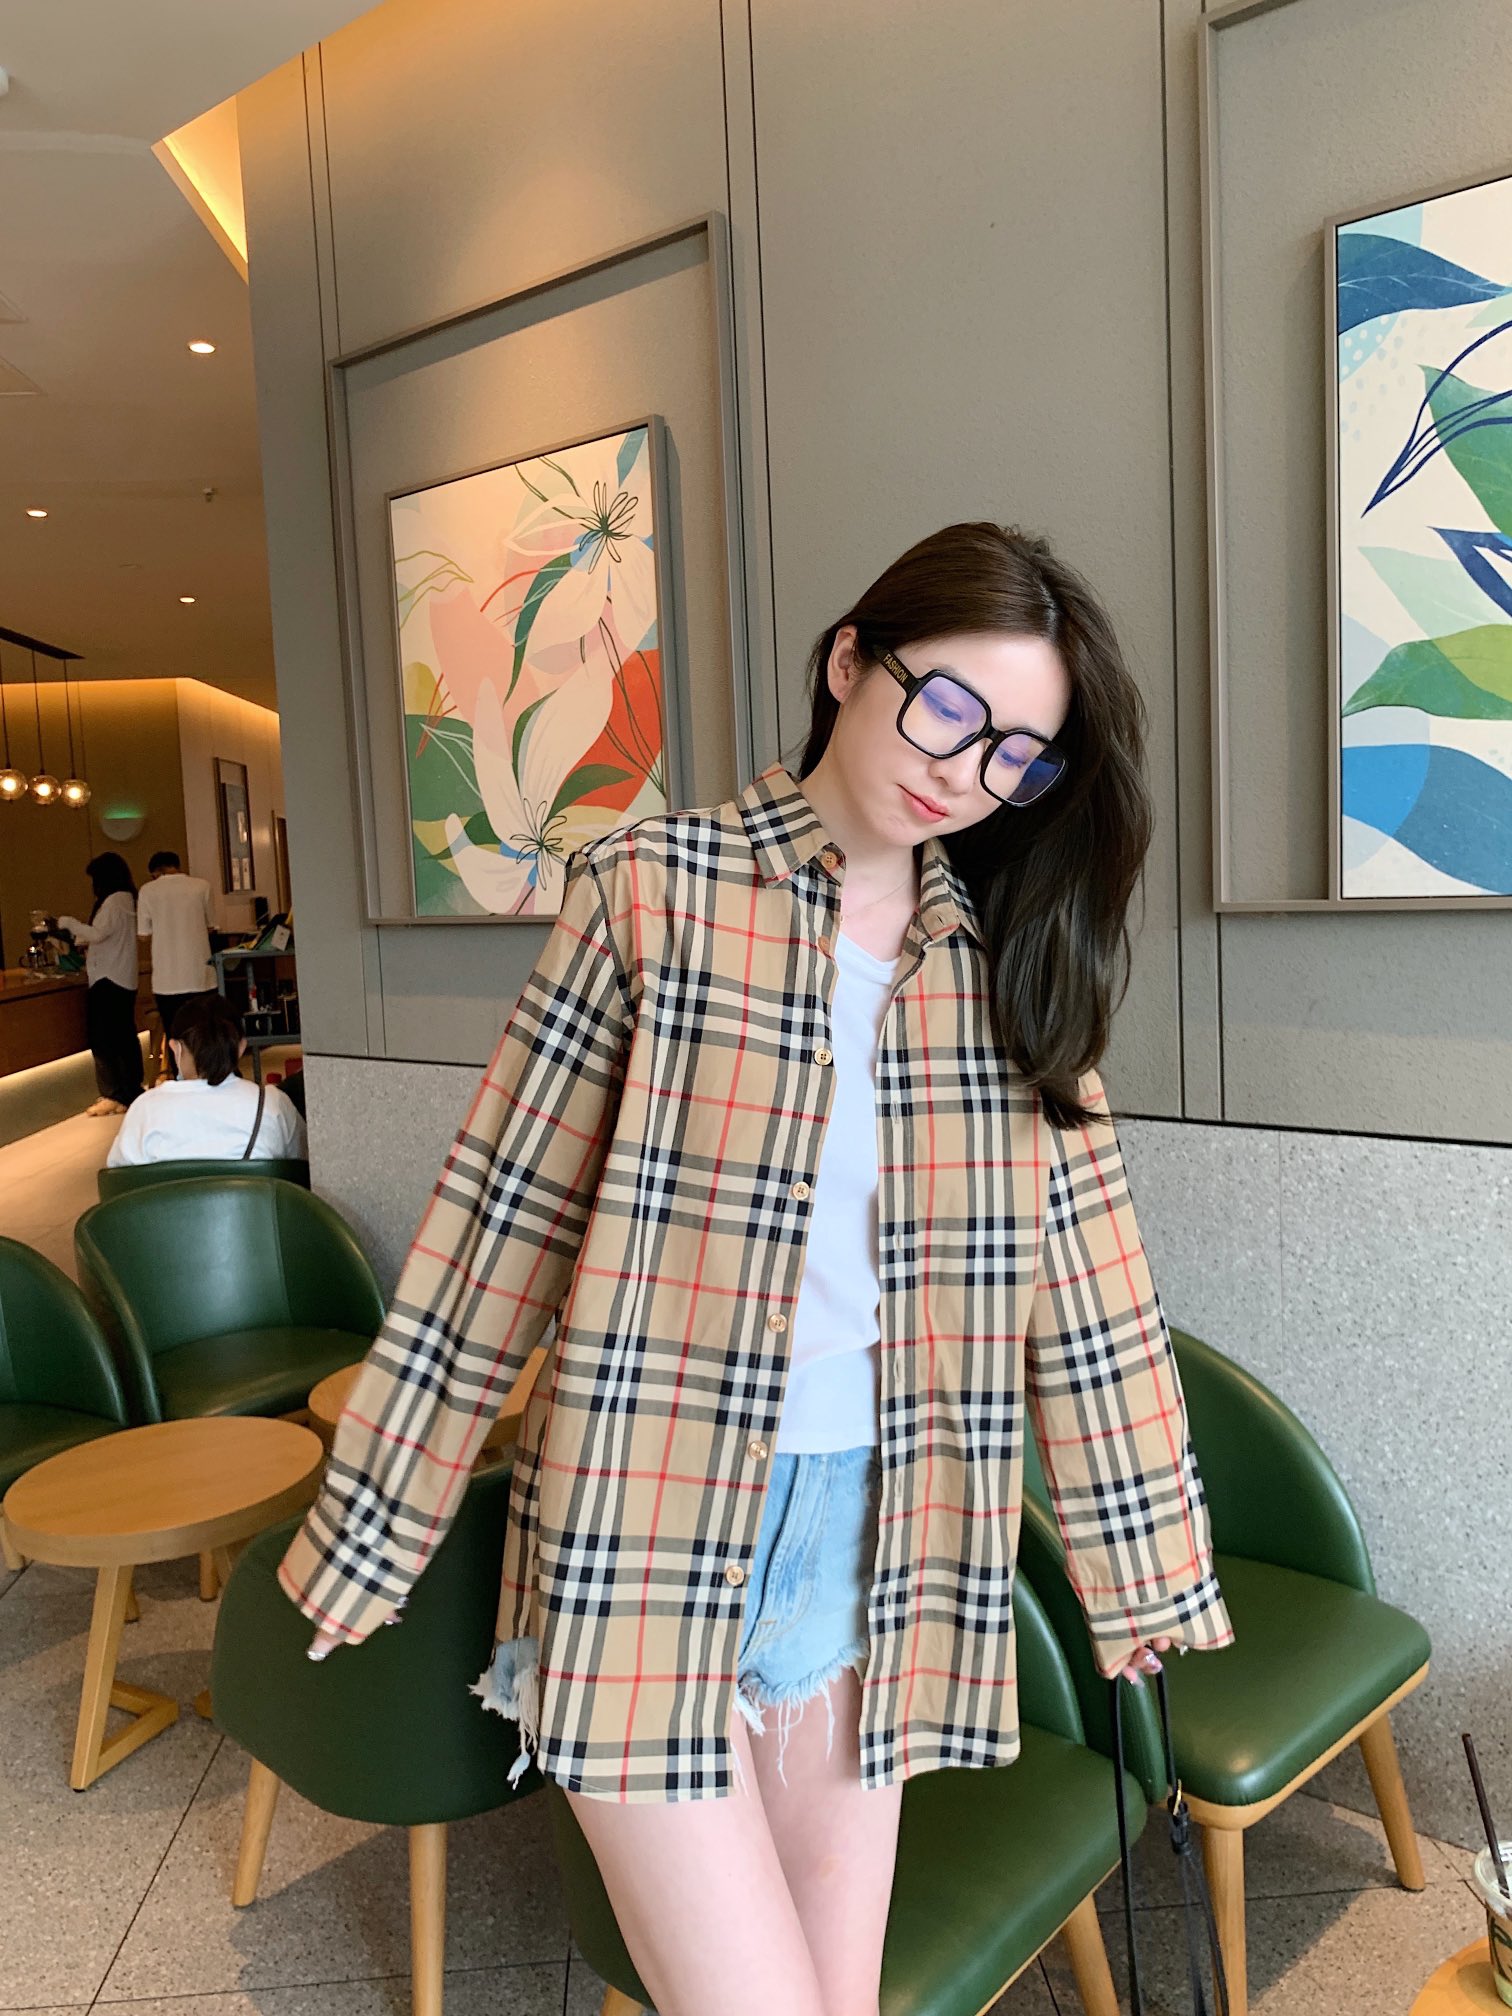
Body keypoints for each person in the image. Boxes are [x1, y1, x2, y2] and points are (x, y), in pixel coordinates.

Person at [278, 522, 1234, 2016]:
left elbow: (1093, 1287)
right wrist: (377, 1521)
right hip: (644, 1520)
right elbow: (501, 1221)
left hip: (875, 1534)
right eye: (948, 707)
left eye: (1016, 755)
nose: (965, 771)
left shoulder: (1000, 969)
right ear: (850, 660)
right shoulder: (651, 890)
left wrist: (1148, 1566)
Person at [107, 993, 307, 1167]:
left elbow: (117, 1179)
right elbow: (301, 1165)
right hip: (254, 1201)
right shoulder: (271, 1103)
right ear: (241, 1047)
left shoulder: (144, 1108)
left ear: (176, 1048)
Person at [58, 852, 144, 1118]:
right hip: (122, 976)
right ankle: (128, 1091)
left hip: (108, 978)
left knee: (105, 1039)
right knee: (124, 1036)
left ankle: (115, 1092)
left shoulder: (114, 900)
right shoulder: (127, 899)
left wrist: (69, 923)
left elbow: (98, 933)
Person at [136, 849, 215, 1079]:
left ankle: (182, 1079)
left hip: (166, 979)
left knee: (175, 1034)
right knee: (205, 1031)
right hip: (201, 975)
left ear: (156, 872)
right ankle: (209, 1075)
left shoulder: (148, 891)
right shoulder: (202, 886)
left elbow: (143, 935)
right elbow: (211, 926)